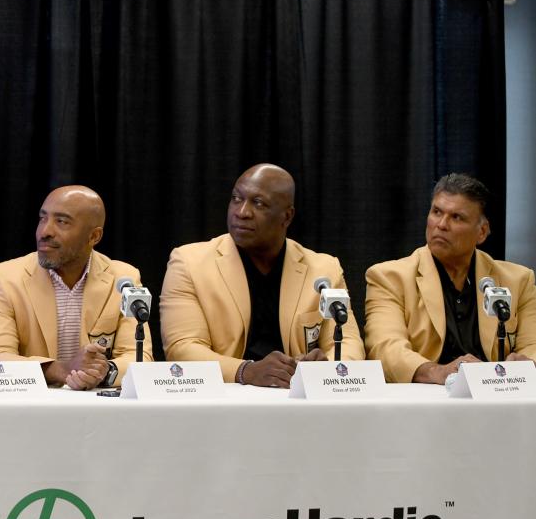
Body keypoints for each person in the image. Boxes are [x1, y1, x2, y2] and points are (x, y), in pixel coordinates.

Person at [160, 163, 364, 388]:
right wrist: (246, 371)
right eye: (236, 199)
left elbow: (348, 343)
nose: (242, 212)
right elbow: (183, 348)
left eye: (258, 203)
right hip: (225, 401)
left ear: (287, 217)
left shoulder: (324, 269)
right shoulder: (189, 263)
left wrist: (326, 369)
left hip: (298, 401)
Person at [365, 174, 535, 384]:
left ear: (481, 232)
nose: (441, 224)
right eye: (436, 212)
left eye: (457, 217)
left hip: (496, 396)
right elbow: (385, 348)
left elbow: (533, 345)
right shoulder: (389, 277)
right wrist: (437, 372)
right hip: (426, 400)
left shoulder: (518, 280)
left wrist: (526, 364)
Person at [0, 185, 141, 390]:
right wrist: (61, 370)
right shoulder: (5, 278)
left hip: (97, 409)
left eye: (61, 221)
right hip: (30, 408)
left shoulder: (124, 279)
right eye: (43, 218)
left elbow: (139, 356)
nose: (44, 232)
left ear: (94, 237)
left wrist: (102, 371)